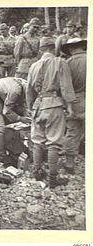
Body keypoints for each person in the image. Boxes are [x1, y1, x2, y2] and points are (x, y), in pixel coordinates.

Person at [26, 37, 75, 188]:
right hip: (54, 104)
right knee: (54, 141)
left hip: (37, 105)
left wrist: (30, 107)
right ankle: (53, 178)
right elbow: (66, 87)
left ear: (40, 50)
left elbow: (29, 90)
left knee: (37, 141)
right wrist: (70, 107)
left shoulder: (33, 65)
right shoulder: (61, 62)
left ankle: (37, 172)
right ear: (54, 48)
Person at [0, 77, 30, 161]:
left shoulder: (25, 85)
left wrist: (26, 112)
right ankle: (1, 153)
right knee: (0, 126)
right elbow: (7, 111)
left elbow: (22, 102)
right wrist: (21, 118)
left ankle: (10, 143)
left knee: (11, 121)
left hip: (1, 95)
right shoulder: (15, 91)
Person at [61, 38, 86, 174]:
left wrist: (67, 105)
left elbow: (65, 86)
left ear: (71, 49)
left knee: (72, 131)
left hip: (75, 100)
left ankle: (69, 163)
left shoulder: (68, 63)